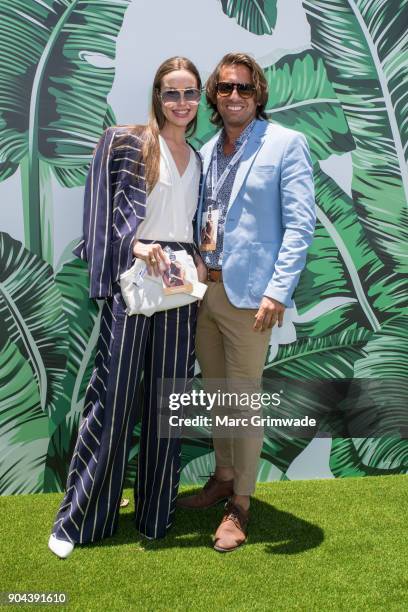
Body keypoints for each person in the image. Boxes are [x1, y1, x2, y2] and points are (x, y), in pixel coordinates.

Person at [48, 56, 206, 558]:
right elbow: (97, 212)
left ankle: (156, 514)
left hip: (180, 288)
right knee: (113, 398)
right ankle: (81, 520)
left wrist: (200, 260)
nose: (181, 103)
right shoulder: (125, 141)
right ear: (157, 96)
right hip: (135, 280)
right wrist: (131, 247)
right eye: (171, 93)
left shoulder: (199, 157)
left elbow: (192, 223)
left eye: (189, 93)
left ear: (199, 99)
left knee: (168, 402)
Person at [177, 53, 315, 552]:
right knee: (218, 395)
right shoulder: (206, 150)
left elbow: (301, 225)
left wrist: (277, 290)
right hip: (204, 292)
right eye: (226, 88)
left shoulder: (286, 145)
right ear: (214, 95)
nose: (235, 97)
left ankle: (241, 503)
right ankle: (223, 477)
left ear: (258, 95)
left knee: (243, 400)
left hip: (252, 298)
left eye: (245, 89)